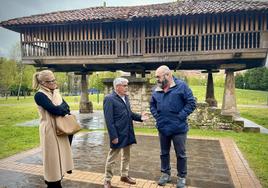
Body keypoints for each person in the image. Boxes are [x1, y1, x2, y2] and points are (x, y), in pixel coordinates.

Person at [150, 65, 196, 188]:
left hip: (178, 128)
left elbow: (191, 103)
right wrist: (157, 117)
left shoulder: (182, 86)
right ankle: (165, 174)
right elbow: (152, 105)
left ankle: (181, 177)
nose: (157, 80)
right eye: (156, 77)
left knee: (180, 154)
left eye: (158, 77)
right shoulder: (156, 89)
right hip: (163, 127)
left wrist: (180, 116)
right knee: (164, 153)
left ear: (168, 75)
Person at [103, 77, 149, 188]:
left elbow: (129, 113)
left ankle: (124, 175)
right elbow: (109, 120)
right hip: (118, 134)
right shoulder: (109, 99)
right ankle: (107, 180)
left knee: (126, 156)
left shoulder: (125, 97)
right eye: (124, 85)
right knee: (112, 158)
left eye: (127, 85)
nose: (126, 87)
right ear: (117, 86)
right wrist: (113, 136)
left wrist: (140, 117)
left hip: (128, 132)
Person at [32, 70, 74, 188]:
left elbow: (66, 108)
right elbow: (55, 110)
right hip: (49, 130)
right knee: (52, 159)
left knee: (61, 155)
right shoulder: (39, 95)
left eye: (54, 80)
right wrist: (61, 109)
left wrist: (61, 109)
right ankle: (52, 182)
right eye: (50, 81)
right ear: (42, 83)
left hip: (61, 128)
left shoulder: (56, 93)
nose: (53, 83)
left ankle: (58, 179)